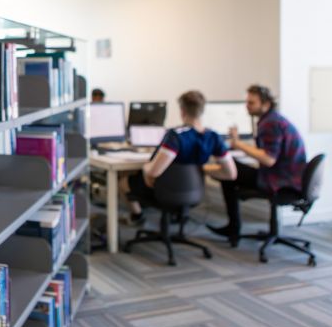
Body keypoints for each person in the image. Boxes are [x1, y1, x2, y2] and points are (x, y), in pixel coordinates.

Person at [208, 85, 307, 245]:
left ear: (266, 104)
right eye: (247, 102)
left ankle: (233, 228)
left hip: (279, 181)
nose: (247, 106)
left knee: (228, 171)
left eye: (251, 103)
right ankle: (233, 227)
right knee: (232, 169)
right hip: (288, 177)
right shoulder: (273, 119)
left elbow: (268, 159)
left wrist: (238, 144)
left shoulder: (269, 123)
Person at [123, 90, 237, 224]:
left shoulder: (176, 136)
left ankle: (137, 217)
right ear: (202, 111)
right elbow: (231, 174)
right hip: (194, 193)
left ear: (182, 111)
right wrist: (202, 169)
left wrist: (145, 166)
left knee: (123, 182)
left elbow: (154, 172)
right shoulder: (213, 137)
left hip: (164, 192)